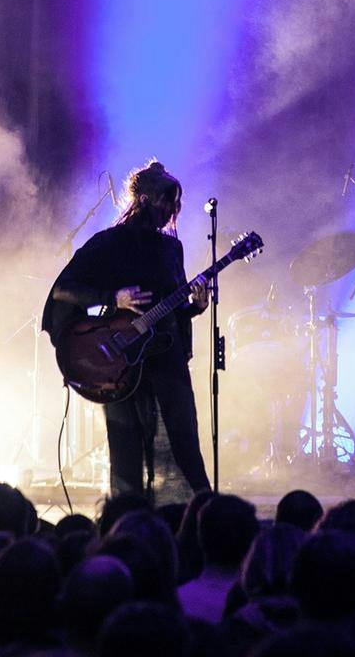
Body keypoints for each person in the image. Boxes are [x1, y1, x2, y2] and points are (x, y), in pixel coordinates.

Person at [42, 160, 211, 500]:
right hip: (118, 360)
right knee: (126, 449)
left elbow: (172, 309)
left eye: (175, 203)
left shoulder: (171, 248)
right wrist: (112, 297)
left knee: (183, 436)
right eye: (165, 200)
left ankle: (200, 512)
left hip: (165, 357)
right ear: (144, 198)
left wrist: (197, 305)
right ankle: (126, 520)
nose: (170, 209)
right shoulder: (109, 243)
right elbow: (63, 289)